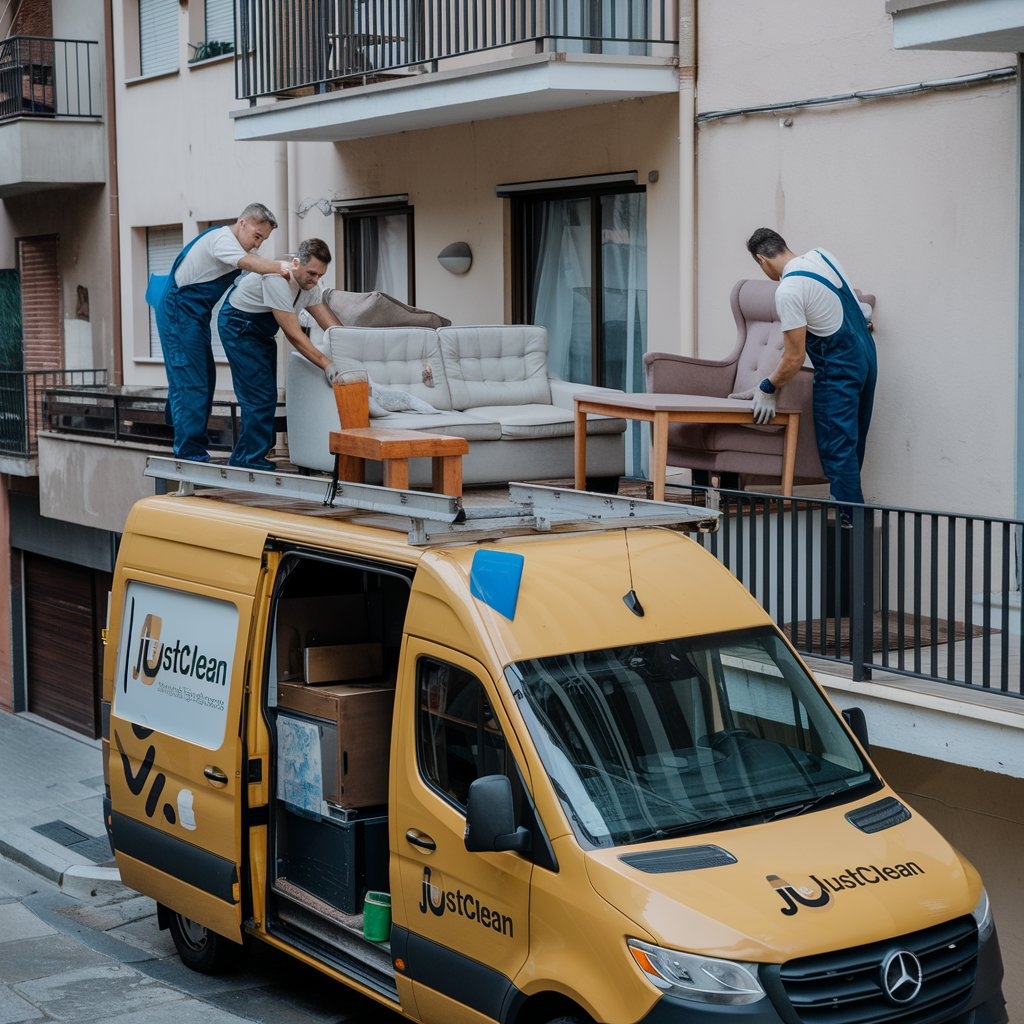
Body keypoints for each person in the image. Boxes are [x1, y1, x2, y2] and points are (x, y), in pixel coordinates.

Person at [742, 227, 877, 510]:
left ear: (761, 260)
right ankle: (853, 524)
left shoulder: (789, 290)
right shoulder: (821, 255)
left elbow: (793, 358)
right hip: (866, 356)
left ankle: (850, 533)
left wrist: (768, 386)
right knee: (853, 450)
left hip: (839, 369)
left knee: (838, 453)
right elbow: (845, 298)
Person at [155, 202, 289, 463]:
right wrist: (283, 267)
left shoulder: (230, 242)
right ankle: (189, 453)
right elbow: (250, 263)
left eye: (262, 239)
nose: (257, 244)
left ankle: (183, 432)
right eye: (257, 236)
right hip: (178, 311)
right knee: (191, 379)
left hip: (195, 316)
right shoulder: (222, 240)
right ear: (243, 223)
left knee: (204, 375)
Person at [217, 238, 342, 470]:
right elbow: (294, 334)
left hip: (261, 330)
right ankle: (247, 460)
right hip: (238, 326)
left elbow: (328, 322)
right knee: (258, 395)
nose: (315, 280)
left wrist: (349, 344)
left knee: (267, 394)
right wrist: (327, 364)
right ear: (296, 263)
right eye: (312, 273)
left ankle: (249, 456)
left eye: (320, 276)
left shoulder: (310, 286)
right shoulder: (277, 279)